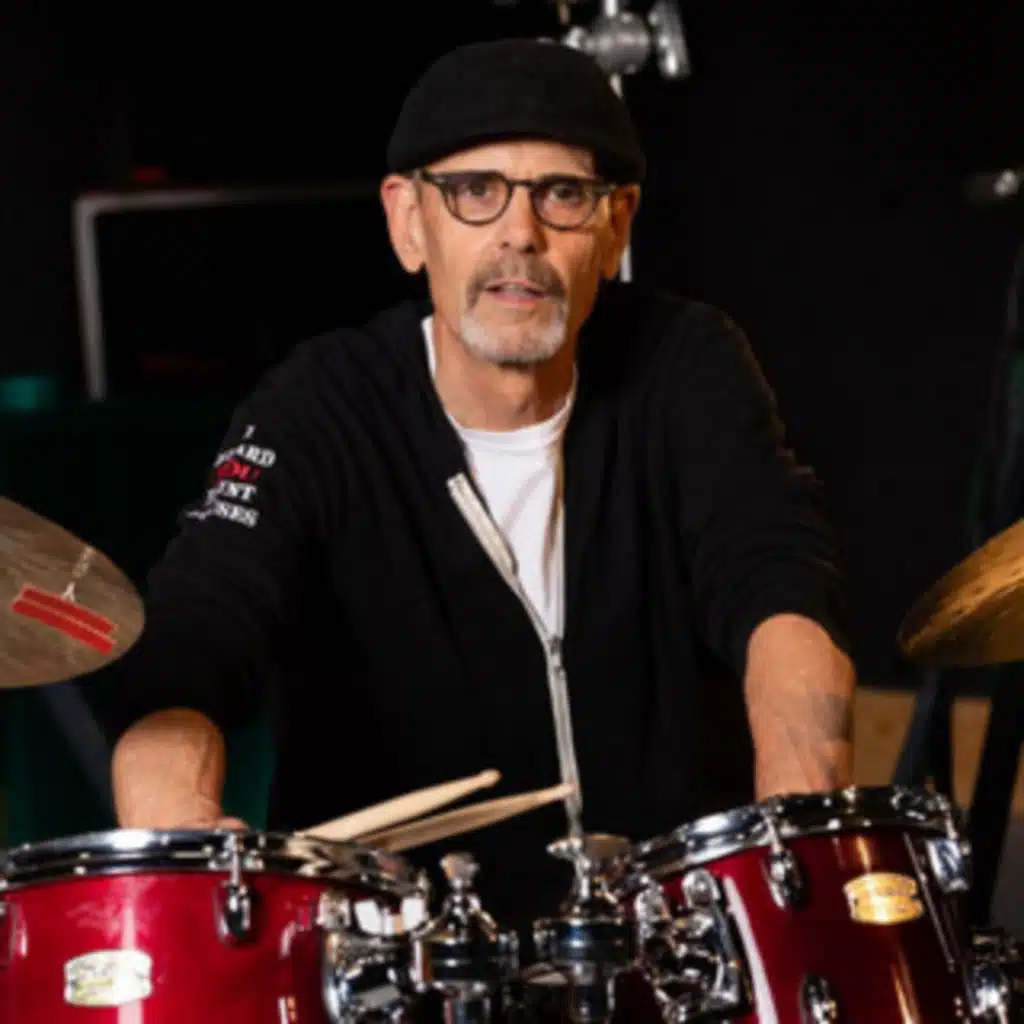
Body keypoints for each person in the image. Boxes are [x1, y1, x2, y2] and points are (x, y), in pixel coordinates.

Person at [106, 38, 856, 936]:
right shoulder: (319, 406)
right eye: (474, 191)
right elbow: (191, 641)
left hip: (671, 948)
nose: (519, 234)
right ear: (408, 221)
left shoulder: (687, 365)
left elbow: (779, 594)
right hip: (402, 958)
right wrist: (178, 831)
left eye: (562, 194)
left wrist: (794, 851)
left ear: (616, 225)